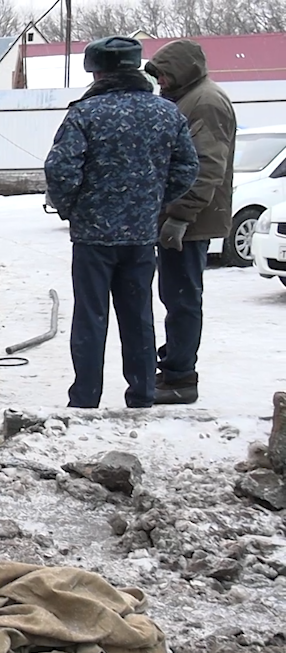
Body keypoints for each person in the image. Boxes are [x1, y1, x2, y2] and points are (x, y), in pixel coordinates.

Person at [44, 35, 199, 409]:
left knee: (91, 318)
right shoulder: (166, 112)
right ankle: (142, 395)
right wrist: (152, 202)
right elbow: (187, 167)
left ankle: (85, 399)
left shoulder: (85, 113)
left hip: (93, 238)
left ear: (96, 72)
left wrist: (72, 209)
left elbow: (60, 170)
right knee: (138, 317)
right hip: (141, 235)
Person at [144, 40, 237, 405]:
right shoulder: (188, 97)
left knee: (182, 297)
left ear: (183, 70)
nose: (161, 82)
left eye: (165, 74)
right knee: (175, 294)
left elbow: (206, 166)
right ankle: (174, 366)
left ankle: (180, 376)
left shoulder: (206, 102)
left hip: (191, 220)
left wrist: (180, 217)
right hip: (183, 216)